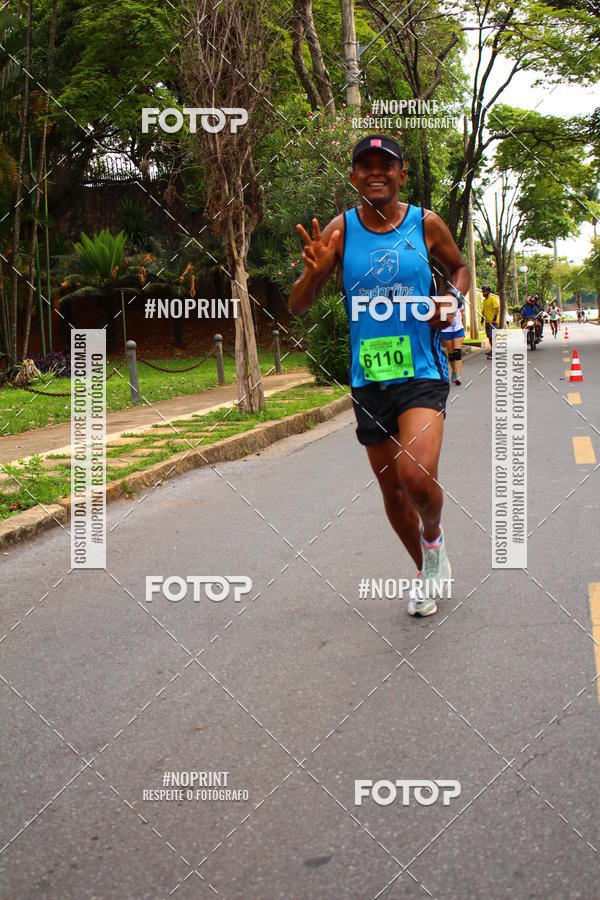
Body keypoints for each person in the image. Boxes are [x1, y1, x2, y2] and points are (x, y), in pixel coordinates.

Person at [289, 134, 469, 617]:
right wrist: (314, 273)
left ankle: (434, 535)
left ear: (400, 175)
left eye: (385, 165)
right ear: (353, 177)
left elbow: (459, 268)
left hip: (422, 370)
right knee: (392, 492)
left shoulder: (425, 223)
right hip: (368, 378)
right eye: (365, 165)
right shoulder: (341, 230)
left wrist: (452, 300)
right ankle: (427, 568)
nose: (376, 172)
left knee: (416, 478)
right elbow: (298, 305)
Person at [441, 303, 465, 385]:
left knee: (457, 353)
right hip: (446, 330)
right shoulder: (440, 300)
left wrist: (460, 319)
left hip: (458, 329)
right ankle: (454, 372)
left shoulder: (457, 299)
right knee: (451, 355)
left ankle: (457, 375)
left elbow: (462, 311)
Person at [481, 285, 499, 359]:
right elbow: (483, 311)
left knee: (492, 336)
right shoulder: (484, 301)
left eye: (484, 291)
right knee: (489, 337)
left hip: (493, 322)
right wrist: (482, 319)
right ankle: (492, 350)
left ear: (488, 292)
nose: (483, 293)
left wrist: (494, 318)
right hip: (487, 321)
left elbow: (497, 308)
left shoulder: (492, 299)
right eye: (482, 291)